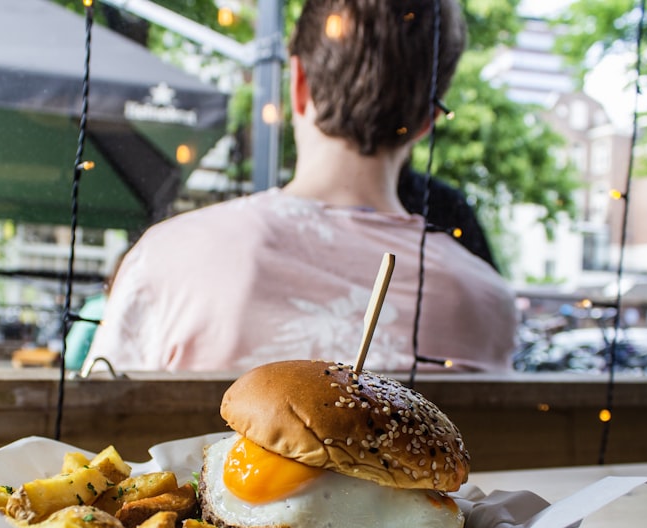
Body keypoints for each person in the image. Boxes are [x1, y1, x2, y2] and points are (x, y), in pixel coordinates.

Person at [85, 0, 518, 374]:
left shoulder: (168, 257)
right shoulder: (488, 302)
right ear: (428, 121)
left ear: (299, 83)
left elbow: (97, 453)